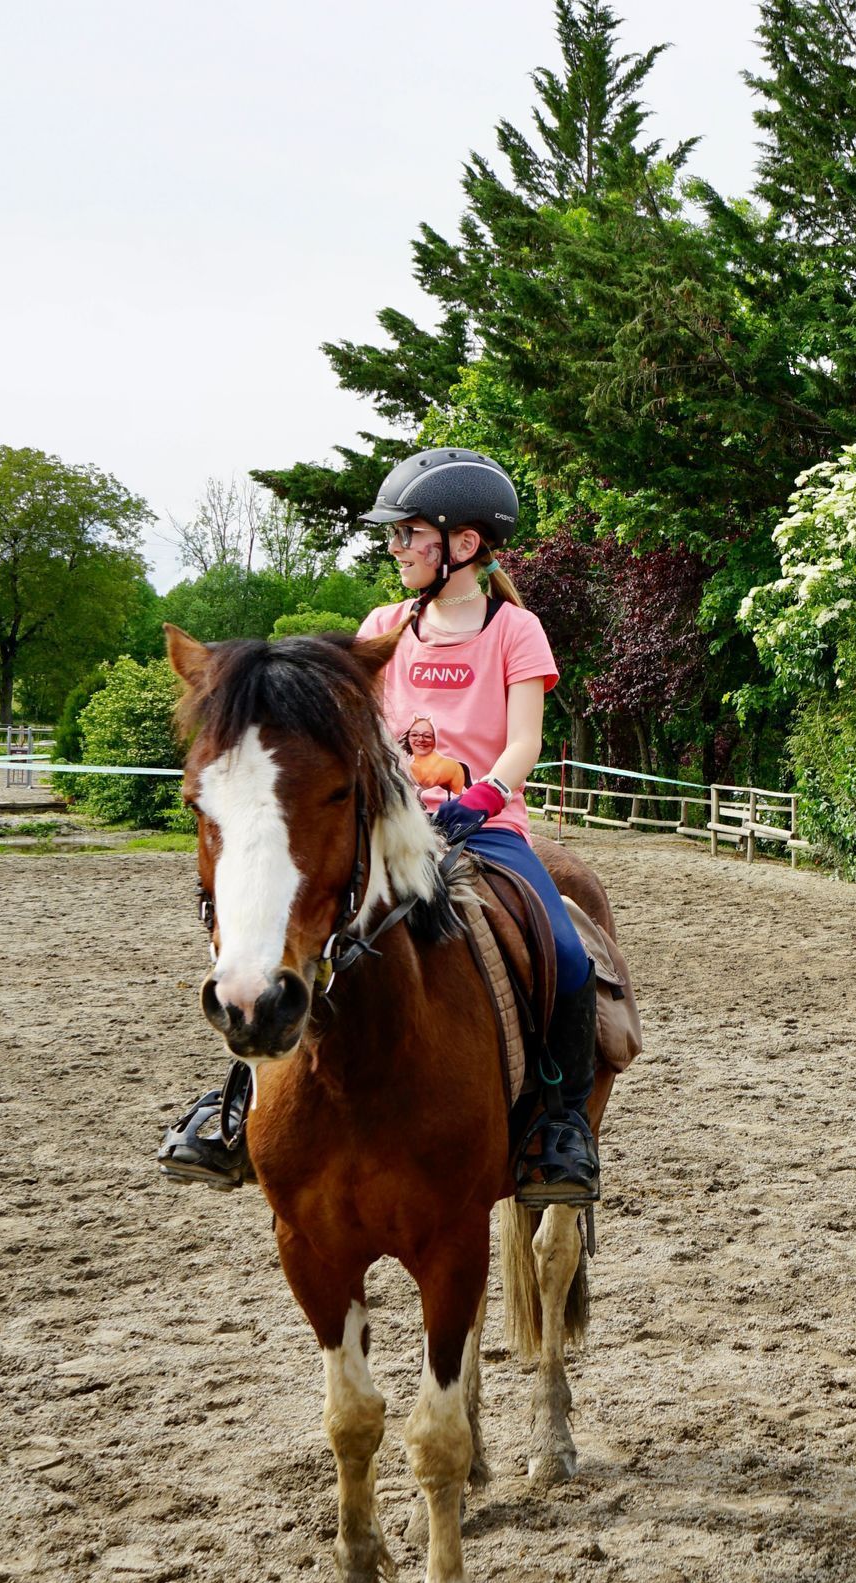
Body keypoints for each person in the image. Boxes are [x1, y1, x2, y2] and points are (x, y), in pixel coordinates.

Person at [157, 447, 601, 1208]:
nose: (395, 547)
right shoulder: (382, 627)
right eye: (395, 534)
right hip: (388, 825)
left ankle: (560, 1124)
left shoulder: (515, 630)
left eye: (408, 533)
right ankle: (237, 1100)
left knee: (564, 948)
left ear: (463, 543)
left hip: (486, 824)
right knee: (294, 931)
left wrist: (483, 796)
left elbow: (524, 740)